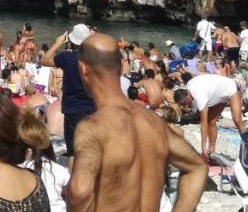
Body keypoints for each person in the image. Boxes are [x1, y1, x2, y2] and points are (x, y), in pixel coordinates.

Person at [66, 34, 207, 212]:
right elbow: (198, 167)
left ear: (83, 69)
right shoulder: (154, 122)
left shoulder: (92, 128)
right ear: (120, 68)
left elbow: (80, 192)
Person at [41, 24, 95, 156]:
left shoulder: (66, 57)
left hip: (72, 109)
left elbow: (44, 60)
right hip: (92, 107)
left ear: (71, 40)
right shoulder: (94, 58)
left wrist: (57, 43)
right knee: (91, 148)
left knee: (73, 152)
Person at [176, 71, 246, 160]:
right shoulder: (188, 88)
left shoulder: (199, 96)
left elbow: (203, 122)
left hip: (232, 87)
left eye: (183, 103)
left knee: (237, 120)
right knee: (211, 121)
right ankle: (211, 152)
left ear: (187, 97)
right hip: (220, 92)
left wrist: (202, 147)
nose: (183, 106)